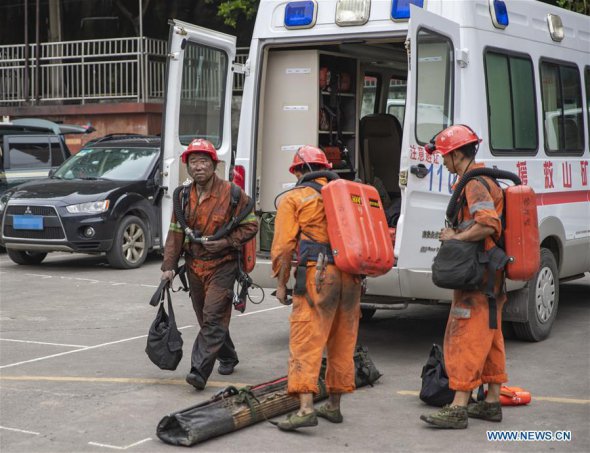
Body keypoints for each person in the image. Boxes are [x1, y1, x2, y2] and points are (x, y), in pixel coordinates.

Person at [420, 125, 508, 429]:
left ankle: (458, 406)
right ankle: (492, 402)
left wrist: (454, 237)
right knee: (491, 333)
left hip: (478, 273)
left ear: (458, 154)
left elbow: (487, 224)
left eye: (446, 155)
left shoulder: (474, 183)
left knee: (464, 334)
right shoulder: (482, 179)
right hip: (491, 272)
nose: (444, 161)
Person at [271, 145, 362, 431]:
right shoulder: (345, 196)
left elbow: (284, 247)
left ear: (299, 171)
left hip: (318, 275)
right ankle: (334, 406)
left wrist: (281, 283)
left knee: (306, 340)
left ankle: (306, 408)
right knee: (342, 341)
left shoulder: (295, 198)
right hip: (351, 276)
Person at [161, 138, 258, 390]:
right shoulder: (182, 197)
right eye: (193, 162)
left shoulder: (233, 194)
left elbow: (251, 224)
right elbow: (175, 232)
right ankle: (227, 355)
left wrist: (227, 242)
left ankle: (199, 370)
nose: (198, 167)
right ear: (187, 166)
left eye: (204, 161)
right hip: (194, 266)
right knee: (207, 319)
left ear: (214, 165)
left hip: (223, 264)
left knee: (213, 316)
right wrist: (168, 266)